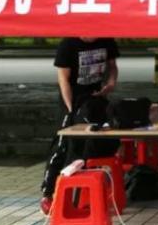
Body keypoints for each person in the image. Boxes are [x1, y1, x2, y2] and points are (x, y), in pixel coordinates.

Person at [40, 37, 120, 215]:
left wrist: (111, 83)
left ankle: (84, 193)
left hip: (95, 99)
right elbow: (63, 79)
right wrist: (70, 111)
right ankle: (48, 193)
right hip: (72, 99)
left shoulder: (106, 40)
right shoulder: (68, 45)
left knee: (93, 143)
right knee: (63, 144)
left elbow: (112, 66)